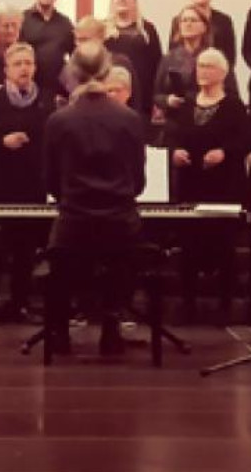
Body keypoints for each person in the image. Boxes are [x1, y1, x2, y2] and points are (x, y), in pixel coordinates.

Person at [44, 42, 147, 355]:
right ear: (107, 71)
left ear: (73, 73)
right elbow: (138, 181)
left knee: (60, 258)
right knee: (122, 256)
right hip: (118, 221)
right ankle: (112, 327)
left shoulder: (59, 120)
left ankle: (60, 332)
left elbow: (51, 181)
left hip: (75, 220)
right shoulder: (129, 118)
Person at [0, 42, 54, 323]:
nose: (24, 69)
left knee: (25, 250)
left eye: (28, 63)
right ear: (6, 70)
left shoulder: (46, 102)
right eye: (18, 64)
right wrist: (1, 142)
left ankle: (21, 304)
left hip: (32, 185)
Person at [166, 48, 251, 204]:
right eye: (200, 66)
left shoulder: (234, 105)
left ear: (223, 73)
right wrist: (175, 152)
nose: (203, 71)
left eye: (209, 66)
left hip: (224, 186)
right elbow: (173, 137)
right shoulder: (187, 104)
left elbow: (246, 141)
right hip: (190, 186)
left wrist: (224, 153)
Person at [103, 0, 162, 123]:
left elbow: (157, 63)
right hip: (110, 90)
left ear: (134, 2)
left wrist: (157, 99)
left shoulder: (147, 29)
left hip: (143, 91)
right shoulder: (103, 28)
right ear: (112, 2)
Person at [155, 5, 213, 127]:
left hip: (206, 121)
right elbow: (156, 94)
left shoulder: (213, 57)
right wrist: (167, 100)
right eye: (184, 20)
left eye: (193, 20)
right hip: (175, 122)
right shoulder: (169, 58)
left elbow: (230, 94)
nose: (188, 24)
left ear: (204, 27)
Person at [20, 0, 74, 95]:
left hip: (57, 88)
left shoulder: (65, 23)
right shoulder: (22, 19)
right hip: (27, 86)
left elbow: (74, 55)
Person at [169, 0, 237, 70]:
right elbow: (172, 50)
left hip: (216, 71)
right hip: (185, 72)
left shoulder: (224, 20)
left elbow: (230, 55)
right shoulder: (178, 20)